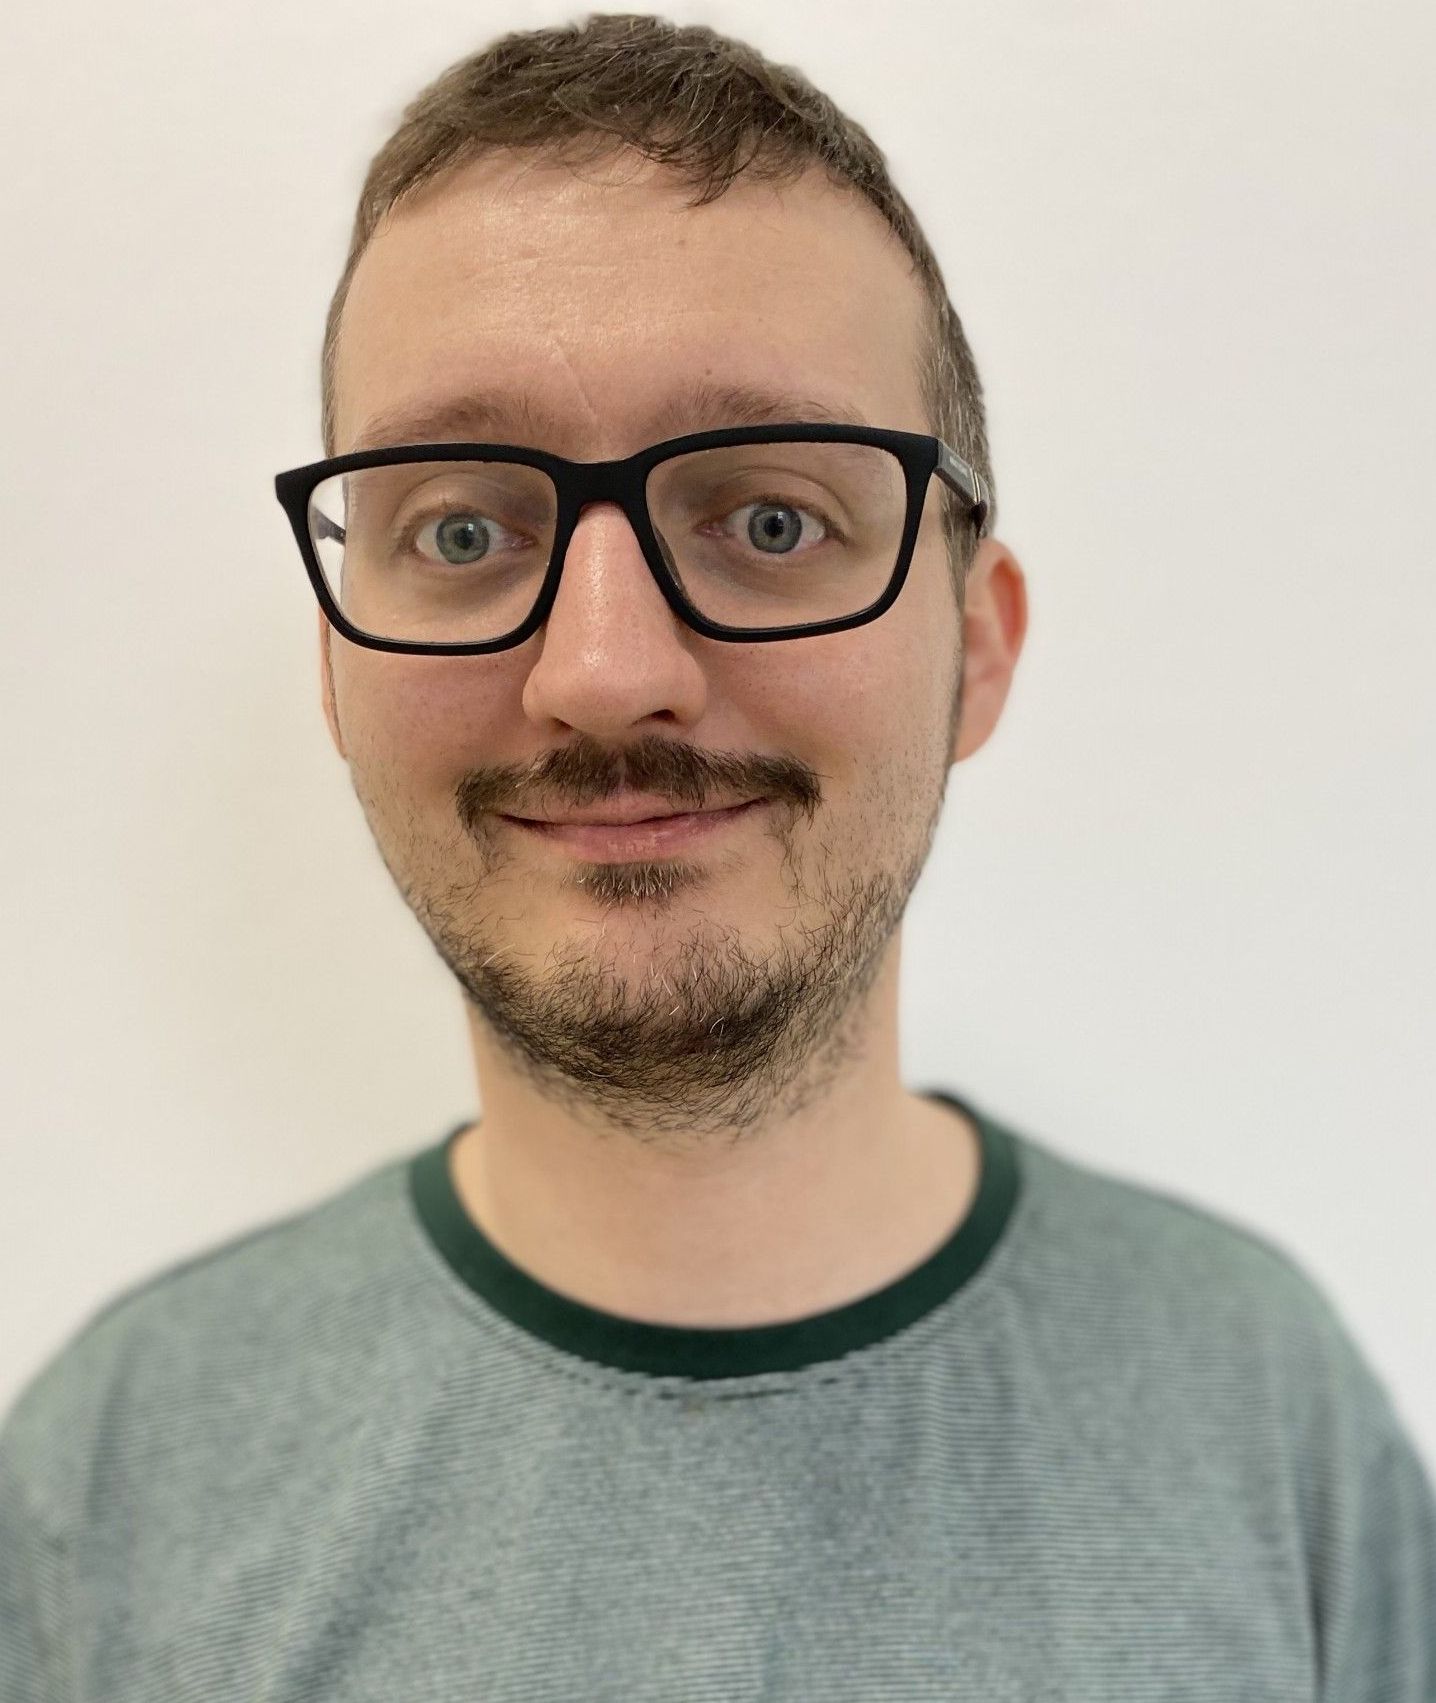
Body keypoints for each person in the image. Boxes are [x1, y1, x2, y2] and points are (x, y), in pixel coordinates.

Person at [2, 14, 1432, 1699]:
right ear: (336, 672)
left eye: (770, 520)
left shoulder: (1269, 1420)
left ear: (976, 647)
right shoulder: (111, 1480)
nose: (607, 669)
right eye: (461, 529)